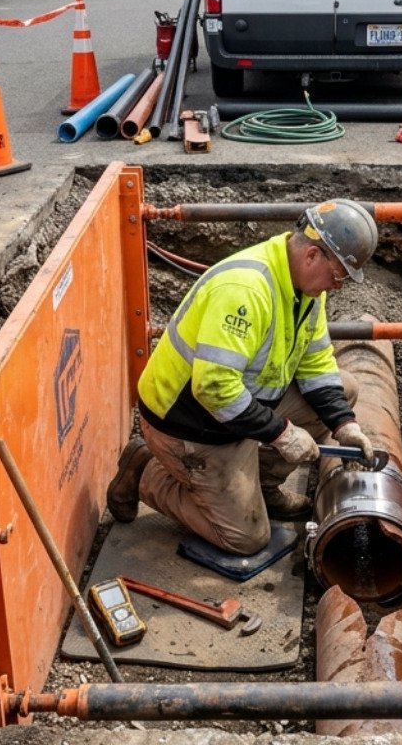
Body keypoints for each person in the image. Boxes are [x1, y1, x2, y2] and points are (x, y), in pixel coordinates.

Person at [107, 200, 379, 556]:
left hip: (238, 409)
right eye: (339, 276)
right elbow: (214, 387)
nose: (338, 286)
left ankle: (262, 488)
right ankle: (145, 470)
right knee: (246, 539)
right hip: (191, 425)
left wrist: (345, 426)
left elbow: (316, 362)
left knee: (345, 389)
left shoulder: (306, 290)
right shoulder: (246, 289)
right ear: (313, 255)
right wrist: (281, 433)